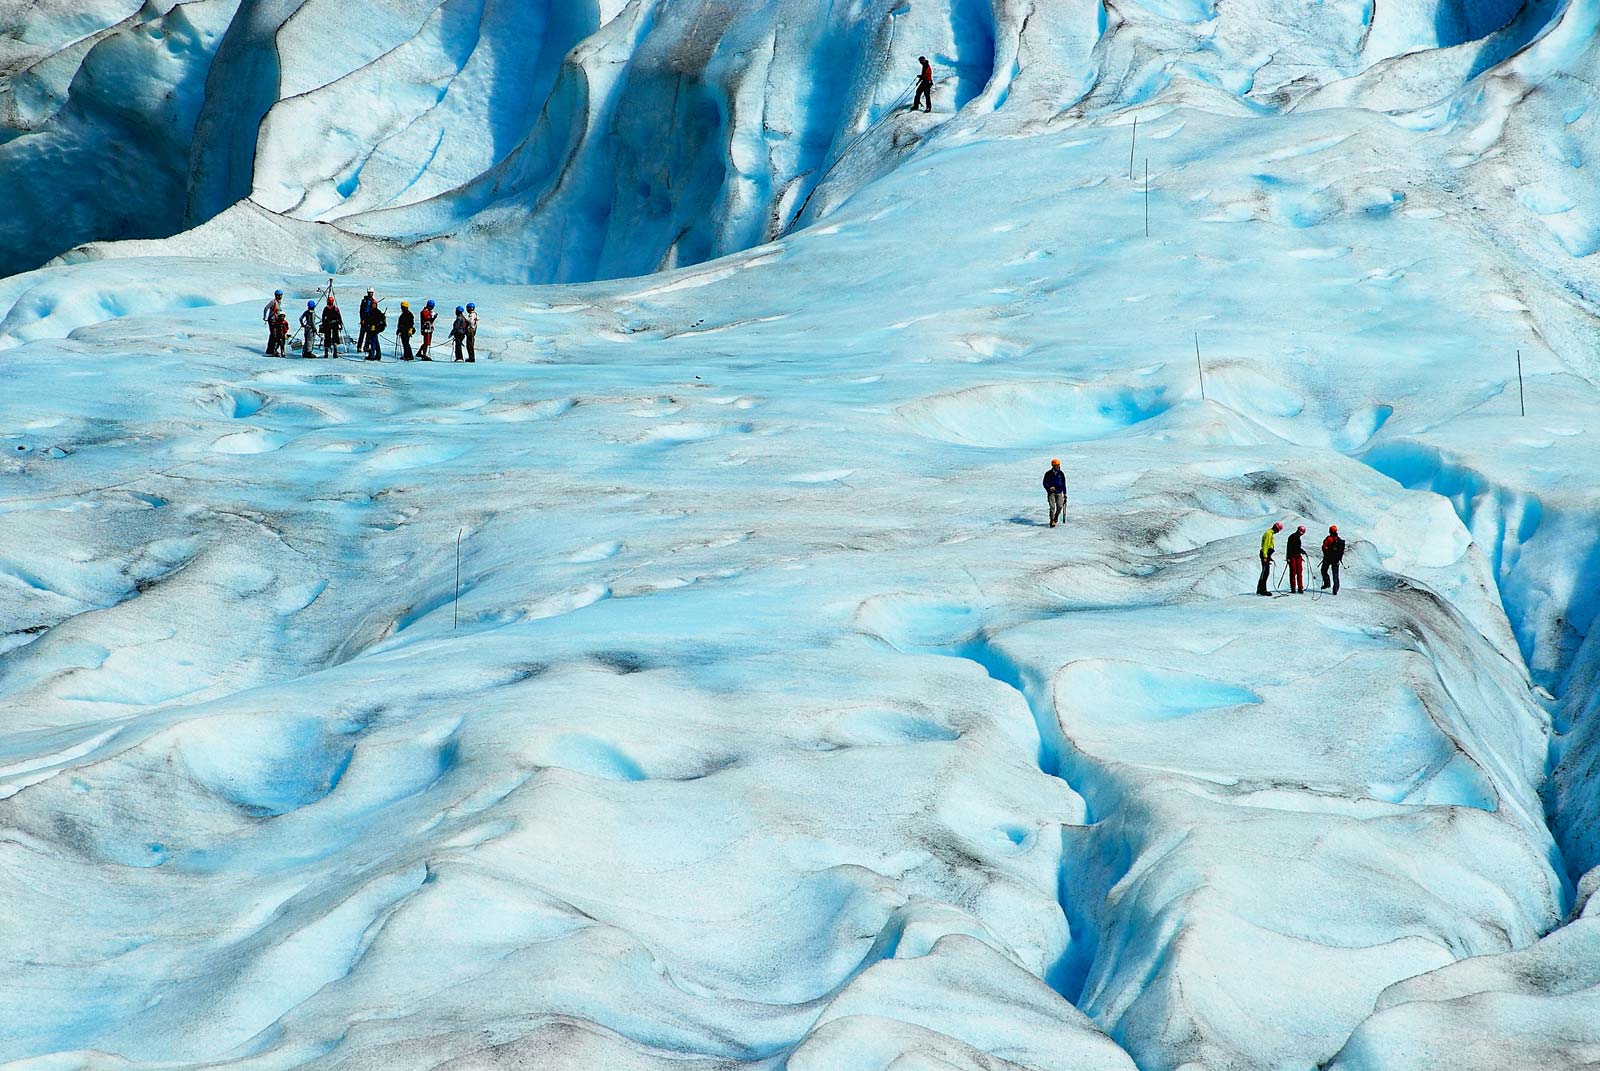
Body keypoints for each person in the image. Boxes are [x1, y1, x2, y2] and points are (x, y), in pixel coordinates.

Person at [1258, 521, 1283, 597]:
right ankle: (1262, 590)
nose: (1278, 532)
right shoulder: (1269, 534)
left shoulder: (1269, 533)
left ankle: (1260, 589)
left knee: (1265, 572)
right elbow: (1266, 545)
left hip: (1267, 554)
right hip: (1265, 554)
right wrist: (1265, 556)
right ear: (1277, 529)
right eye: (1278, 530)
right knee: (1265, 572)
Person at [1321, 525, 1345, 595]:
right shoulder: (1339, 540)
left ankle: (1327, 584)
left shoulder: (1329, 539)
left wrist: (1326, 554)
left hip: (1328, 559)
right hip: (1336, 560)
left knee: (1323, 571)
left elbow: (1324, 547)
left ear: (1330, 531)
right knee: (1335, 575)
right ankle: (1335, 590)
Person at [1043, 458, 1067, 528]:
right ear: (1053, 466)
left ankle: (1056, 516)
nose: (1058, 466)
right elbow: (1044, 483)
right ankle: (1052, 520)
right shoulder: (1048, 473)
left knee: (1060, 506)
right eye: (1056, 465)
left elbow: (1063, 484)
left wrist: (1065, 493)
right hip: (1051, 493)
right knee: (1052, 507)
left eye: (1058, 465)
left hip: (1059, 492)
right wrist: (1049, 488)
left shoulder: (1061, 473)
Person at [1286, 525, 1307, 594]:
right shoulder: (1293, 537)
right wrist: (1288, 558)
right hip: (1293, 557)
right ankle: (1295, 588)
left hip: (1296, 557)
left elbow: (1295, 548)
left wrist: (1301, 551)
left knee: (1298, 572)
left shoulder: (1295, 537)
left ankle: (1297, 588)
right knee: (1294, 573)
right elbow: (1290, 548)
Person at [262, 289, 283, 354]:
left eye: (280, 295)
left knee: (274, 335)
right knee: (274, 335)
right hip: (272, 321)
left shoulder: (279, 302)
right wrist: (265, 316)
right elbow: (266, 308)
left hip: (276, 321)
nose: (279, 297)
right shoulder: (273, 302)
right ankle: (271, 350)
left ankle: (271, 350)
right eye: (278, 295)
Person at [358, 288, 376, 353]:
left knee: (368, 335)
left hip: (370, 319)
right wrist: (362, 319)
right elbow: (361, 310)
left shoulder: (374, 301)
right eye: (369, 293)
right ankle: (359, 347)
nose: (370, 294)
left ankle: (366, 347)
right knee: (362, 334)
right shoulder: (364, 301)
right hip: (364, 318)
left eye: (371, 293)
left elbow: (375, 312)